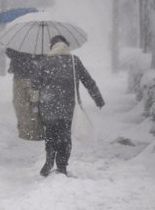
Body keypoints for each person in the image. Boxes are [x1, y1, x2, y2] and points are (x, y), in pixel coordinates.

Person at [33, 35, 105, 177]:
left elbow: (34, 84)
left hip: (48, 105)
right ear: (66, 45)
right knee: (64, 136)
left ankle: (49, 160)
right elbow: (88, 81)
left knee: (51, 134)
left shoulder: (44, 62)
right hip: (67, 106)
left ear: (52, 46)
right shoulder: (74, 61)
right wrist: (98, 99)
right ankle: (62, 166)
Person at [5, 48, 44, 140]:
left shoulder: (20, 41)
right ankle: (30, 131)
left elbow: (9, 52)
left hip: (29, 77)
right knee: (30, 105)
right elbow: (8, 52)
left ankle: (31, 132)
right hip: (28, 76)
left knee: (29, 104)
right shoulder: (37, 40)